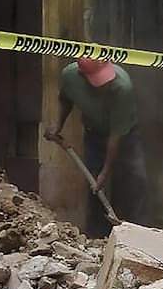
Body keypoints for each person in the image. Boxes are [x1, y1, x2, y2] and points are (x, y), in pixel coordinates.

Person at [46, 58, 149, 238]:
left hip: (125, 136)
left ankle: (140, 234)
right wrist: (58, 126)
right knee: (94, 185)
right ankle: (96, 237)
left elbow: (116, 134)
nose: (103, 83)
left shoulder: (121, 87)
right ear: (83, 75)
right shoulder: (70, 76)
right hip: (94, 134)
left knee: (134, 180)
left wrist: (106, 170)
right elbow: (66, 99)